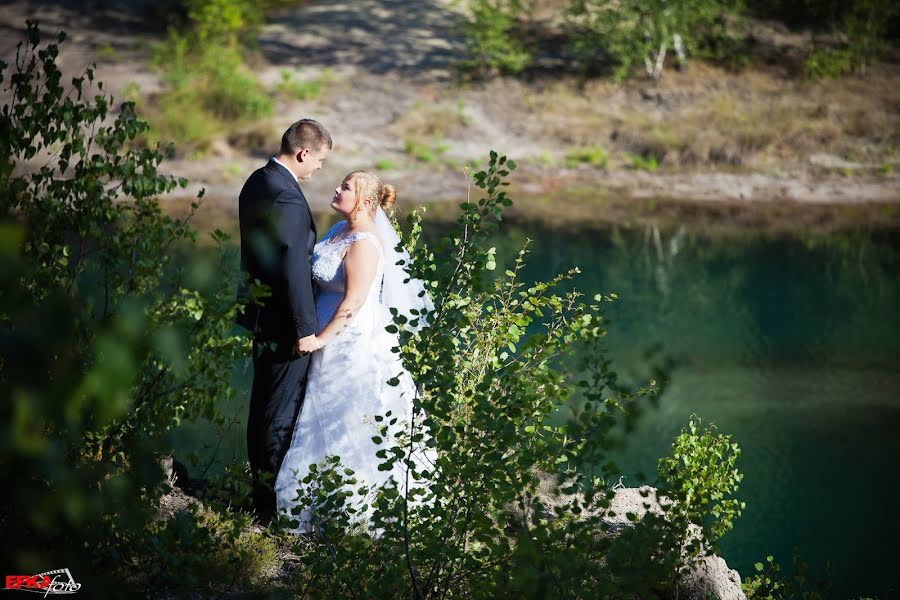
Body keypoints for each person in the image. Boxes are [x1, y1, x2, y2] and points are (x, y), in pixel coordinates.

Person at [275, 170, 435, 535]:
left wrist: (319, 339)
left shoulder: (365, 243)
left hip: (349, 341)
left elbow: (354, 301)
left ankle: (359, 515)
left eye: (346, 187)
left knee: (351, 416)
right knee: (319, 416)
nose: (337, 188)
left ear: (364, 202)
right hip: (324, 335)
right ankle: (320, 505)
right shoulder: (336, 231)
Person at [236, 119, 331, 524]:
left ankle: (260, 497)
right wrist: (305, 328)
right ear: (304, 152)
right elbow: (293, 268)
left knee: (263, 409)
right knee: (277, 413)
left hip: (261, 314)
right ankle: (267, 509)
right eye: (320, 160)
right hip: (283, 323)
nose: (320, 169)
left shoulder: (258, 180)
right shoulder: (288, 198)